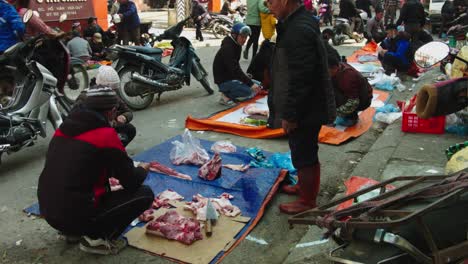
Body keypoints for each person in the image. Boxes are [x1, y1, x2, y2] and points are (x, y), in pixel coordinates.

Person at [38, 86, 154, 255]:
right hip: (76, 212)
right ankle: (96, 239)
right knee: (144, 194)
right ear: (110, 111)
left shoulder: (63, 128)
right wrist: (142, 170)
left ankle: (72, 232)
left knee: (78, 191)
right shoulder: (105, 135)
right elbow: (131, 181)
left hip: (49, 211)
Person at [267, 0, 336, 214]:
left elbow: (300, 78)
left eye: (271, 1)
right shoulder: (297, 22)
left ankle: (307, 201)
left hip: (307, 106)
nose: (268, 5)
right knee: (301, 149)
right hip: (308, 103)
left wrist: (291, 114)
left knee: (304, 152)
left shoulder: (298, 29)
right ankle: (304, 189)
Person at [75, 66, 136, 147]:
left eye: (114, 90)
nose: (113, 92)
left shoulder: (113, 96)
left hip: (108, 129)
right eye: (110, 89)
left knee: (130, 130)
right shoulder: (85, 97)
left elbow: (128, 112)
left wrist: (124, 117)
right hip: (91, 135)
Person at [213, 23, 261, 106]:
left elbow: (235, 67)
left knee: (259, 85)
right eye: (242, 37)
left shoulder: (236, 45)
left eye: (246, 37)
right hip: (223, 81)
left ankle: (230, 91)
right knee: (250, 91)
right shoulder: (228, 48)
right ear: (234, 35)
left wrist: (246, 78)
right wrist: (250, 84)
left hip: (231, 77)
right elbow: (235, 69)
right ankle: (225, 96)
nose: (244, 40)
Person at [328, 55, 373, 127]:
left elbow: (353, 102)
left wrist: (335, 113)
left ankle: (351, 118)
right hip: (352, 96)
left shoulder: (347, 76)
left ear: (335, 68)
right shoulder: (337, 70)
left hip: (362, 100)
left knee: (335, 96)